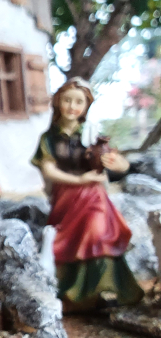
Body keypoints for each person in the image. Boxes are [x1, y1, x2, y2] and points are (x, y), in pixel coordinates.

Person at [32, 77, 143, 311]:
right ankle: (75, 296)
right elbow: (48, 169)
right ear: (58, 103)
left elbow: (121, 165)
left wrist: (115, 162)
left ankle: (101, 289)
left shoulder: (93, 134)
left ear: (86, 105)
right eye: (67, 100)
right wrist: (78, 179)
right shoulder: (49, 138)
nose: (72, 106)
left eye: (78, 102)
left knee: (98, 231)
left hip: (94, 195)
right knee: (70, 240)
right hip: (67, 196)